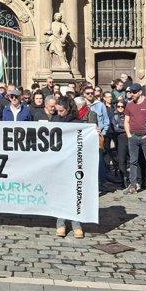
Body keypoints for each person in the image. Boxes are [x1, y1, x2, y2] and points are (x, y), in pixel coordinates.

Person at [52, 97, 87, 238]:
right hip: (59, 162)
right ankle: (60, 222)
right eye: (57, 110)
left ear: (68, 109)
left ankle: (76, 223)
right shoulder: (54, 121)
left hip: (74, 162)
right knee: (61, 192)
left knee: (75, 193)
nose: (59, 113)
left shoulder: (77, 123)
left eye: (62, 110)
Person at [124, 84, 146, 196]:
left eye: (133, 92)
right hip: (133, 137)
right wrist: (129, 135)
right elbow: (126, 121)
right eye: (130, 92)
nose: (131, 94)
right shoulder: (129, 105)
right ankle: (133, 186)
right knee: (133, 162)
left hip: (145, 137)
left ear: (140, 92)